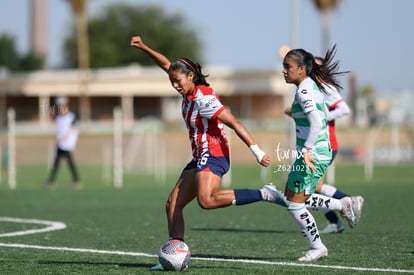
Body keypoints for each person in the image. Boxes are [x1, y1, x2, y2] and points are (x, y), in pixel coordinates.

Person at [130, 35, 288, 269]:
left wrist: (256, 151)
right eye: (172, 81)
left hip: (214, 153)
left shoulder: (204, 99)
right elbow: (166, 64)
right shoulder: (185, 87)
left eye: (177, 80)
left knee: (207, 200)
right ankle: (175, 256)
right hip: (200, 155)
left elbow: (234, 122)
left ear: (190, 76)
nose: (175, 85)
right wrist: (144, 47)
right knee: (172, 204)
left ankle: (264, 193)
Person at [266, 46, 362, 261]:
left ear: (301, 69)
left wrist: (307, 150)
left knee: (294, 203)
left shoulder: (305, 90)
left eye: (287, 67)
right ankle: (343, 204)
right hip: (315, 151)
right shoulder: (309, 86)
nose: (284, 70)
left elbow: (318, 121)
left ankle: (318, 246)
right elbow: (322, 114)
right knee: (293, 197)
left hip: (313, 153)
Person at [285, 56, 364, 234]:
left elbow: (344, 109)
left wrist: (318, 118)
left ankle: (347, 202)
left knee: (307, 192)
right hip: (317, 144)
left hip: (321, 145)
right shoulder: (311, 87)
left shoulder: (324, 87)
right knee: (305, 192)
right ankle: (337, 218)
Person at [44, 96, 81, 189]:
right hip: (60, 144)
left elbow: (70, 130)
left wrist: (62, 139)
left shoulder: (72, 116)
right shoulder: (59, 118)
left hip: (67, 145)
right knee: (57, 163)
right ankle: (51, 181)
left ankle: (76, 181)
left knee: (69, 163)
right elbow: (59, 129)